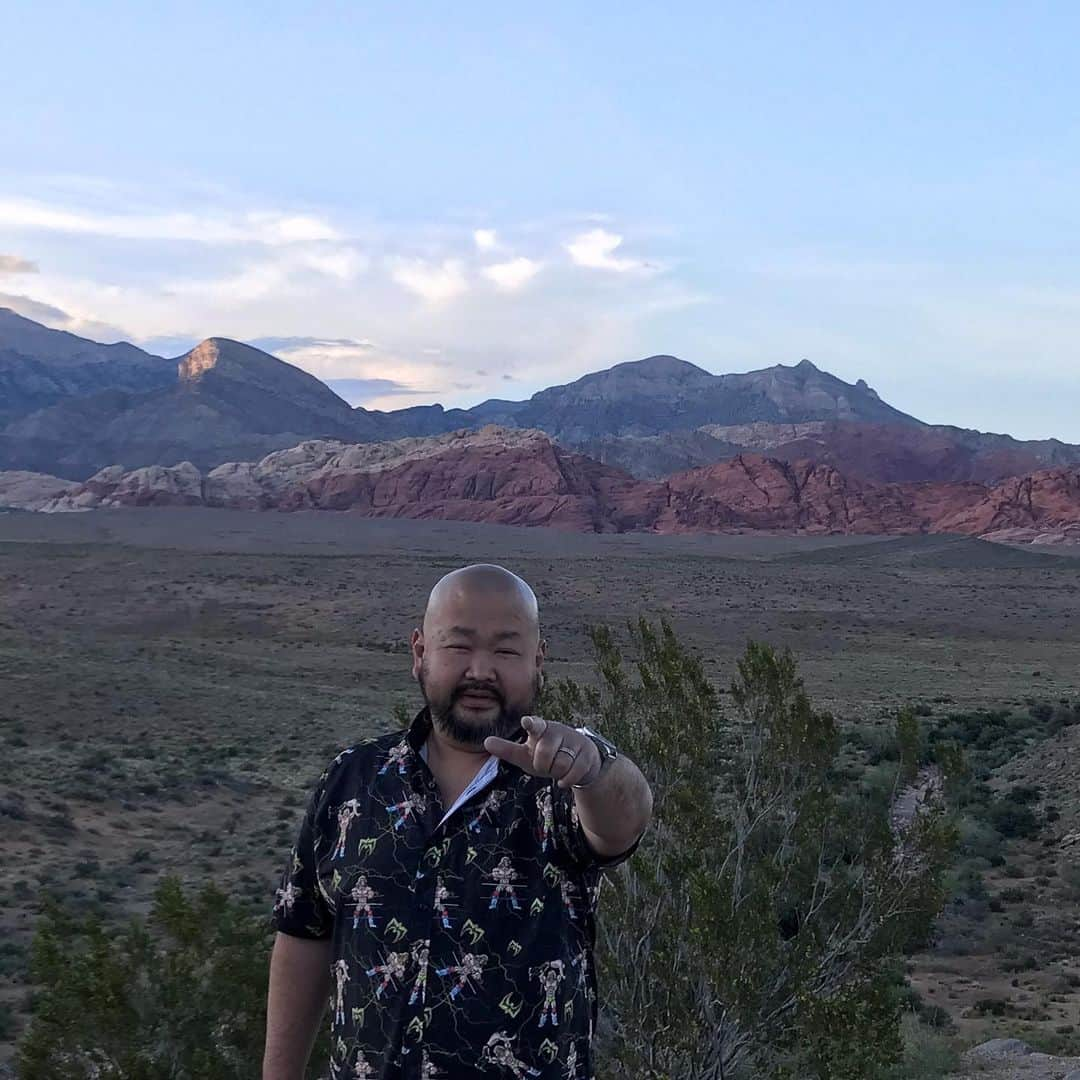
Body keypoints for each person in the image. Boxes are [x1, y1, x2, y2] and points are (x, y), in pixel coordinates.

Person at [263, 563, 653, 1079]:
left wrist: (594, 767)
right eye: (459, 646)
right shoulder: (353, 779)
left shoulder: (559, 788)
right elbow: (304, 934)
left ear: (538, 663)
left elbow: (623, 821)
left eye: (506, 650)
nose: (481, 670)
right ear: (420, 654)